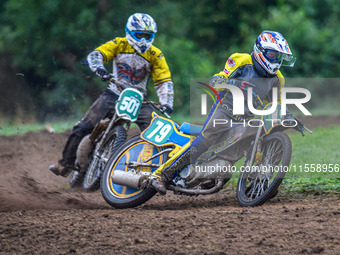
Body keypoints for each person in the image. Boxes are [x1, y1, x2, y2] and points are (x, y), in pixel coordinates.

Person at [150, 30, 299, 195]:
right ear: (260, 50)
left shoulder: (278, 79)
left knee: (256, 138)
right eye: (272, 54)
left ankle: (259, 181)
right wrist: (235, 82)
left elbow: (277, 104)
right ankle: (161, 175)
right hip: (224, 110)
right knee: (204, 141)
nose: (276, 60)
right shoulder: (241, 60)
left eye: (279, 56)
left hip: (245, 118)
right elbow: (215, 81)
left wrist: (290, 117)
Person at [49, 13, 174, 177]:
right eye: (139, 35)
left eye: (147, 36)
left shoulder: (155, 54)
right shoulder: (119, 44)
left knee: (156, 131)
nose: (143, 40)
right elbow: (97, 54)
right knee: (84, 126)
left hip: (139, 99)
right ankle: (65, 164)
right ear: (129, 32)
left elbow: (163, 80)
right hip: (114, 92)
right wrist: (99, 68)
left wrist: (167, 103)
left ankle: (161, 171)